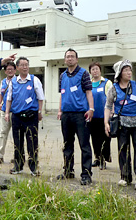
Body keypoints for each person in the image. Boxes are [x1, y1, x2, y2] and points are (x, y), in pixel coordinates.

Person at [104, 59, 136, 191]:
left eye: (130, 70)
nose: (129, 72)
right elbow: (108, 106)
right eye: (126, 70)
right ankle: (125, 176)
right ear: (119, 73)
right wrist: (106, 123)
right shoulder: (113, 89)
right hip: (122, 124)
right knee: (123, 151)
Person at [56, 48, 94, 186]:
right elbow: (62, 94)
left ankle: (86, 174)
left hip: (81, 114)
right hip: (66, 115)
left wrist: (91, 109)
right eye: (67, 57)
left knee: (84, 145)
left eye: (72, 56)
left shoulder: (83, 74)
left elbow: (89, 92)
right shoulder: (62, 76)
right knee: (67, 145)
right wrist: (60, 110)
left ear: (77, 59)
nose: (70, 59)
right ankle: (68, 170)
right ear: (65, 59)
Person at [4, 57, 44, 176]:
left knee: (32, 142)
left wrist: (40, 111)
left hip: (31, 116)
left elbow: (40, 97)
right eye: (22, 65)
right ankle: (18, 166)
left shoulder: (34, 80)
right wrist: (7, 112)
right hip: (17, 116)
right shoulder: (13, 82)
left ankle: (33, 168)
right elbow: (9, 99)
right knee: (18, 142)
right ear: (17, 68)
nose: (25, 67)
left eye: (27, 64)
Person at [88, 61, 113, 170]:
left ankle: (104, 158)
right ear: (90, 72)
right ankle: (97, 158)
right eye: (93, 69)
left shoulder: (107, 83)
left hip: (104, 116)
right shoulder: (88, 83)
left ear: (100, 70)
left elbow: (112, 98)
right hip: (93, 116)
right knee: (94, 138)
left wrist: (112, 111)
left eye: (97, 69)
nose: (95, 71)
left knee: (105, 138)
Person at [0, 61, 17, 165]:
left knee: (17, 135)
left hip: (16, 111)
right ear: (5, 71)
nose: (10, 71)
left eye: (12, 69)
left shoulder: (18, 80)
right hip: (4, 111)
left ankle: (17, 156)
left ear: (15, 70)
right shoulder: (3, 82)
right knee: (3, 133)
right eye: (8, 69)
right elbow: (1, 94)